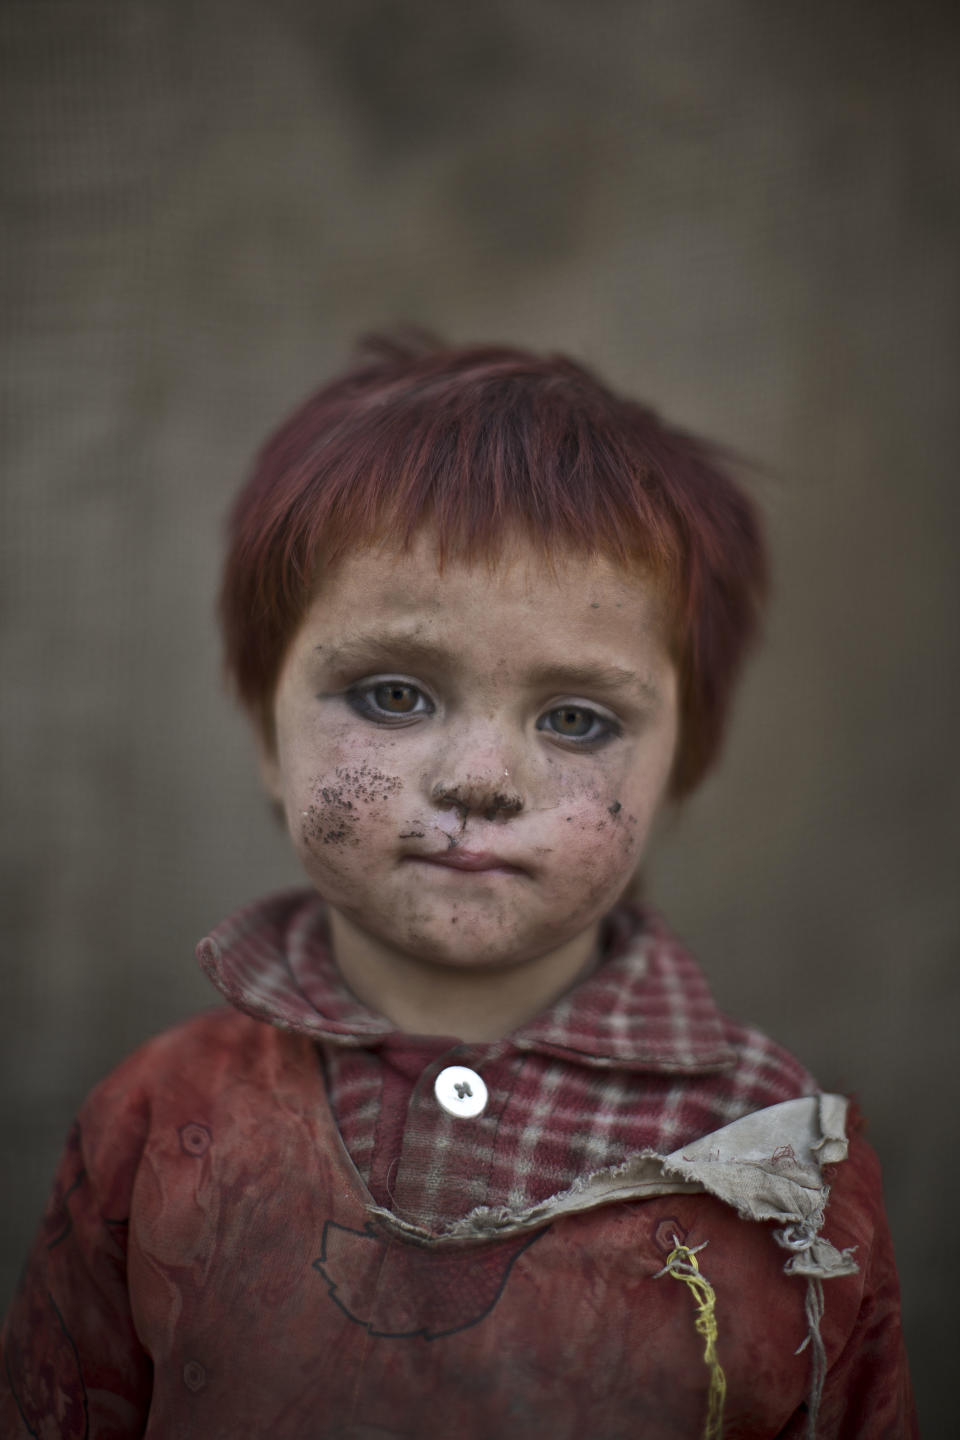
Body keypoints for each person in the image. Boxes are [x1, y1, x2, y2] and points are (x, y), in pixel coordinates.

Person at [1, 335, 916, 1438]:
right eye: (391, 695)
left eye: (578, 719)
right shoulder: (156, 1119)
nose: (481, 780)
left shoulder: (778, 1160)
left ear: (681, 771)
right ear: (263, 734)